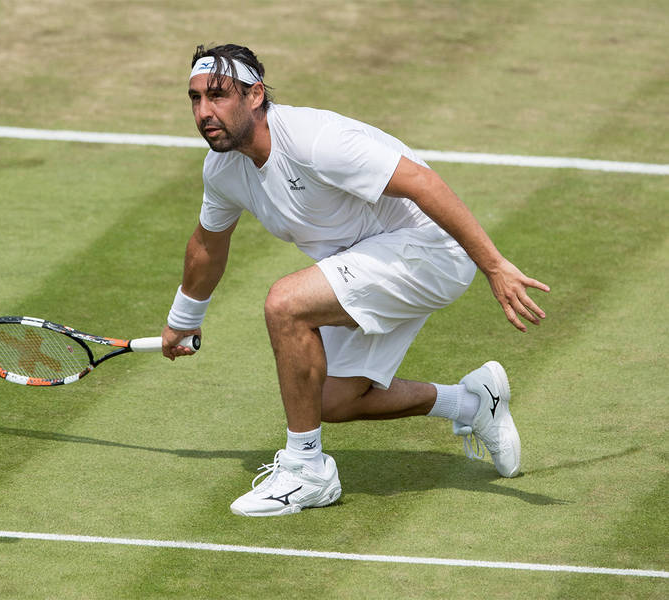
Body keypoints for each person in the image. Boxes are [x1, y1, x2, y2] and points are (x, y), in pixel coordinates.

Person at [162, 43, 550, 517]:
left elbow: (424, 183)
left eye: (218, 95)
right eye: (195, 98)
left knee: (286, 304)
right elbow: (208, 244)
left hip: (429, 251)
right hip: (369, 258)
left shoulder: (314, 139)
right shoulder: (223, 169)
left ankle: (307, 472)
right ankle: (473, 404)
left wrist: (493, 265)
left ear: (255, 95)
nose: (204, 111)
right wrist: (184, 317)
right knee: (329, 399)